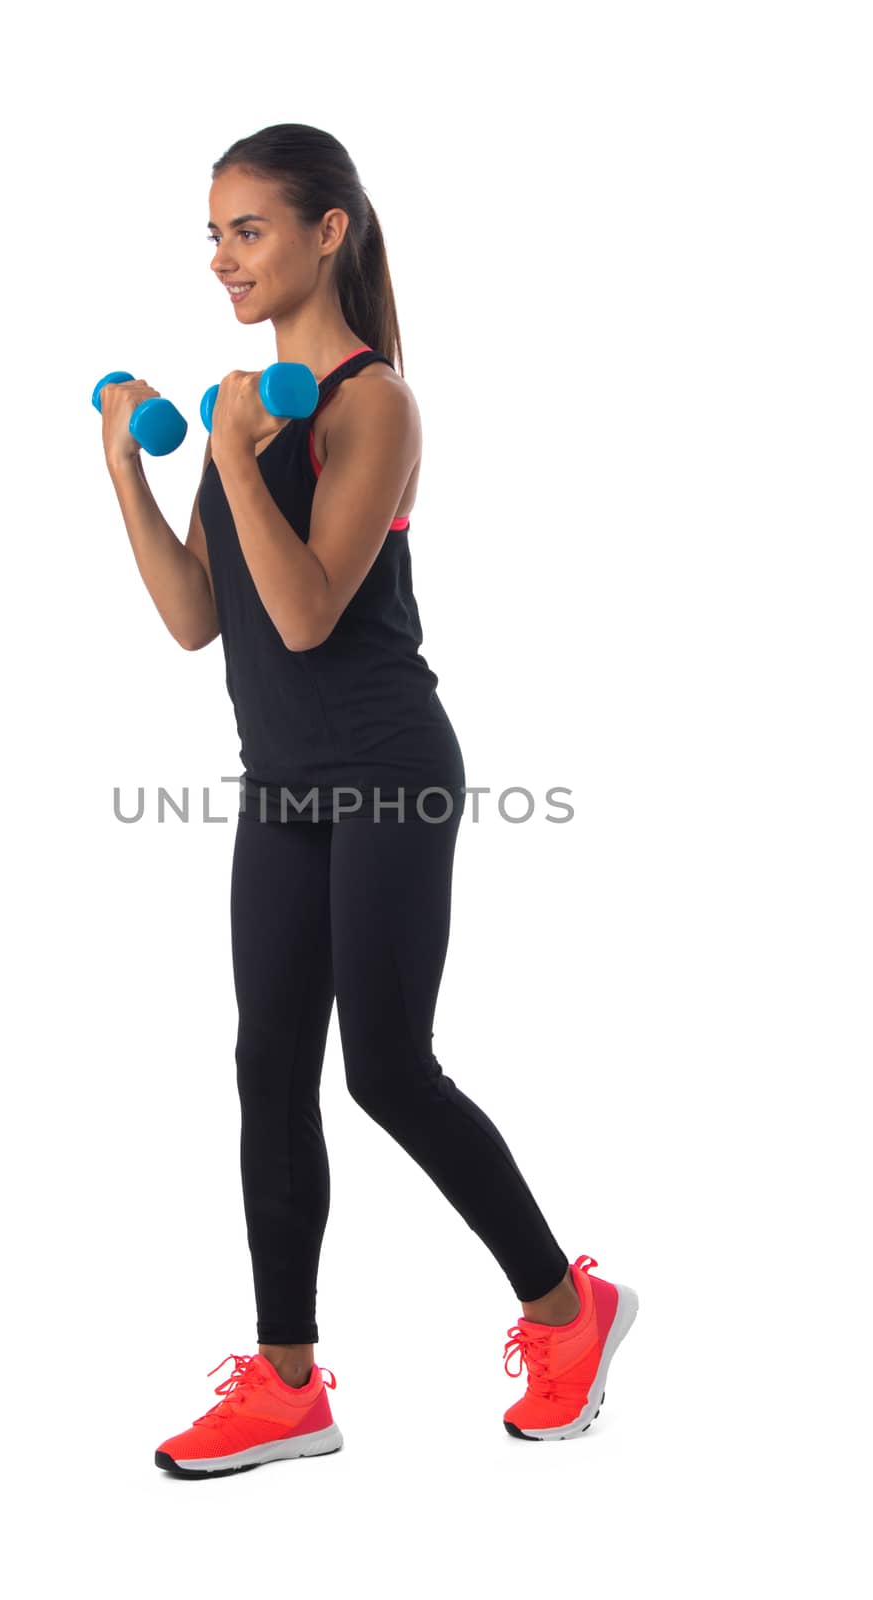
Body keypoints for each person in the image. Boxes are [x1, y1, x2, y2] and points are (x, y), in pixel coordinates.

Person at [99, 123, 638, 1480]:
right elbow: (196, 622)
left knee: (388, 1070)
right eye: (213, 234)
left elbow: (308, 605)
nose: (222, 257)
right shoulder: (252, 409)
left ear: (327, 231)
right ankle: (287, 1384)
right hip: (280, 786)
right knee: (266, 1068)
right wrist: (127, 471)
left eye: (249, 230)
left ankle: (569, 1311)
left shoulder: (369, 403)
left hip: (390, 773)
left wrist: (230, 449)